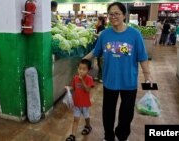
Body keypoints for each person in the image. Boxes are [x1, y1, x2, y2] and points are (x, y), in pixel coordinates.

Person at [83, 2, 152, 141]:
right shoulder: (104, 35)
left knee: (126, 114)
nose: (113, 17)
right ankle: (108, 136)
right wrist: (84, 59)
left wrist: (147, 76)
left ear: (124, 15)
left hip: (129, 82)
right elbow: (96, 51)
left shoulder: (135, 34)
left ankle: (122, 136)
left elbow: (142, 57)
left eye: (117, 14)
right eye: (111, 14)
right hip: (110, 81)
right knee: (108, 112)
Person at [65, 59, 94, 141]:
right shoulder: (75, 78)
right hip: (77, 103)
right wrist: (68, 88)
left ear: (88, 70)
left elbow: (87, 90)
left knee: (86, 116)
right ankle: (72, 136)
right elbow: (73, 87)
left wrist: (82, 80)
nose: (81, 71)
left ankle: (88, 126)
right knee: (76, 119)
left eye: (84, 69)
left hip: (85, 104)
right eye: (79, 68)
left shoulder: (89, 79)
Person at [94, 16, 106, 83]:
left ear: (100, 20)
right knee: (98, 62)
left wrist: (94, 34)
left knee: (101, 62)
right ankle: (99, 76)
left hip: (101, 47)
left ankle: (102, 77)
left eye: (97, 20)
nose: (97, 21)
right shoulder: (99, 27)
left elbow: (100, 36)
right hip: (99, 46)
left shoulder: (102, 27)